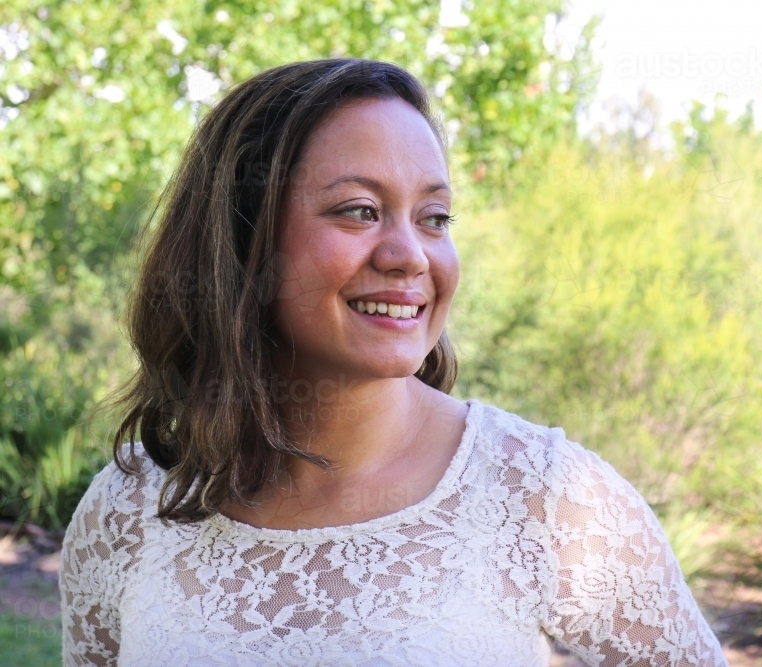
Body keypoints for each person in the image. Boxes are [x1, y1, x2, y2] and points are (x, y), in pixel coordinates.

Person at [60, 58, 728, 667]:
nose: (409, 254)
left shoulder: (545, 496)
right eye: (360, 211)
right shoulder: (127, 509)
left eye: (435, 217)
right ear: (241, 242)